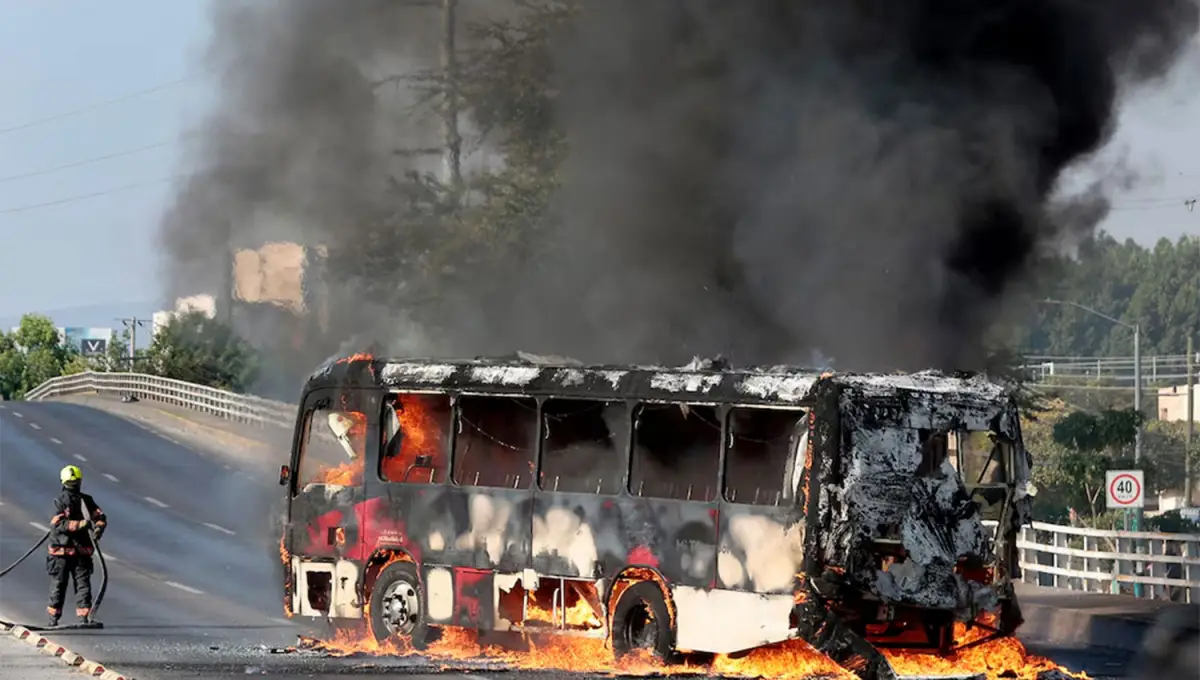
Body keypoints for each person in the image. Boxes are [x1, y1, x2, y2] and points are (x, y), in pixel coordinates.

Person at [46, 464, 107, 627]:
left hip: (79, 553)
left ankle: (83, 617)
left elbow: (100, 517)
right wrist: (81, 524)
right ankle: (53, 619)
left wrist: (99, 528)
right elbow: (58, 524)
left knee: (81, 585)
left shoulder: (85, 501)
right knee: (61, 586)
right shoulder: (61, 502)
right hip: (62, 553)